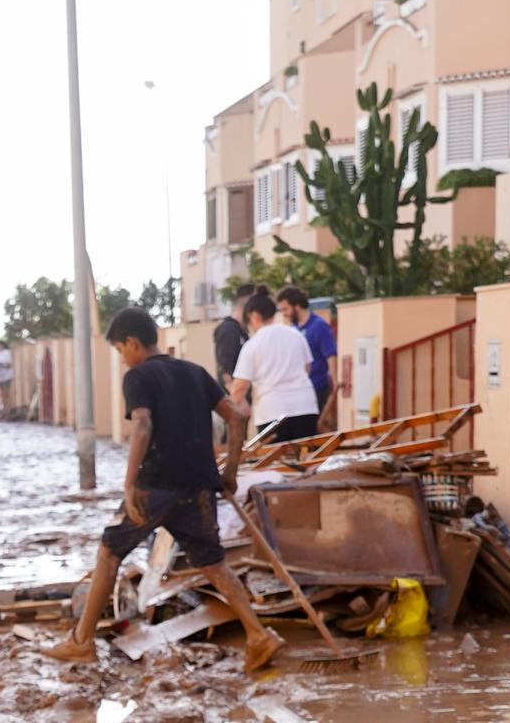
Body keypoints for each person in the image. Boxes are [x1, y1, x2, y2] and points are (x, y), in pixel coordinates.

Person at [45, 306, 284, 672]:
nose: (122, 359)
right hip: (199, 485)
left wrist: (129, 485)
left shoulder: (138, 377)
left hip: (154, 486)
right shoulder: (194, 372)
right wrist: (230, 472)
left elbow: (142, 424)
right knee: (214, 563)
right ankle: (257, 634)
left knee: (110, 552)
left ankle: (81, 643)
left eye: (120, 351)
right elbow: (236, 418)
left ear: (132, 343)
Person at [229, 289, 320, 445]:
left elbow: (240, 387)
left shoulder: (252, 345)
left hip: (272, 411)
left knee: (275, 465)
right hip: (305, 407)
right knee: (308, 460)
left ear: (253, 315)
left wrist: (229, 414)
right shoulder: (295, 335)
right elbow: (307, 368)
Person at [277, 286, 337, 428]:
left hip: (316, 386)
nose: (284, 314)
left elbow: (330, 355)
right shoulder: (294, 329)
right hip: (296, 389)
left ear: (296, 306)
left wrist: (335, 383)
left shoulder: (319, 326)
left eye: (286, 309)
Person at [212, 284, 260, 389]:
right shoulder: (228, 330)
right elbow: (225, 371)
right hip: (236, 402)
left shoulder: (241, 331)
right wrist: (239, 402)